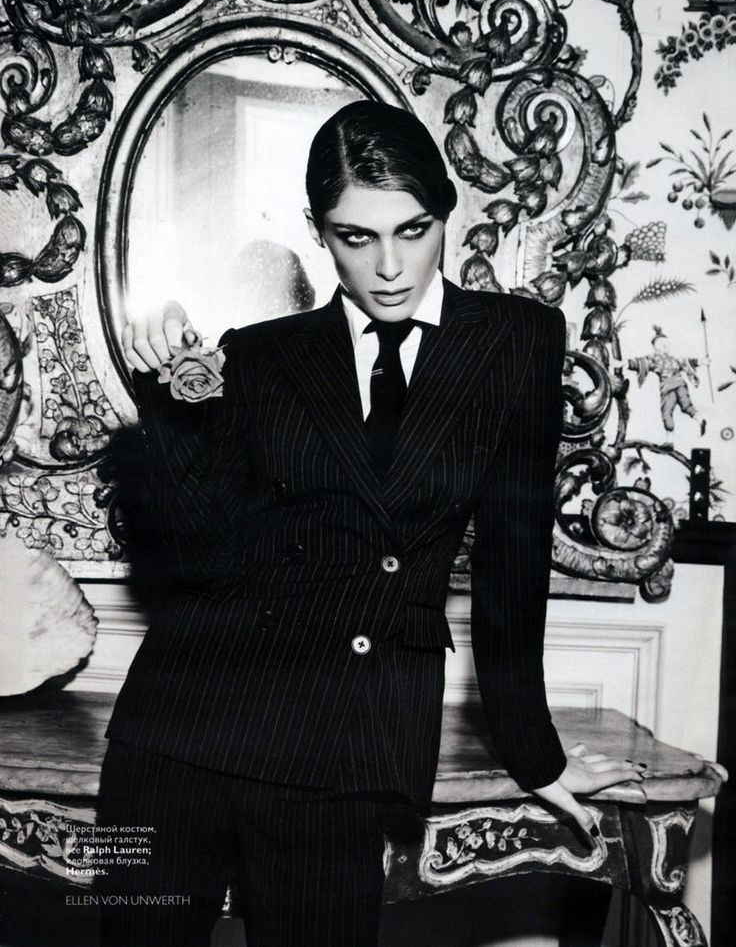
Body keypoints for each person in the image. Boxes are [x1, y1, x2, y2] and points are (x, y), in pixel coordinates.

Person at [97, 100, 642, 947]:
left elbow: (512, 561)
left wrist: (535, 754)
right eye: (356, 237)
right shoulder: (259, 352)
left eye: (413, 231)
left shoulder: (516, 342)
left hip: (345, 750)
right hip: (174, 735)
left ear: (446, 212)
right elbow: (199, 555)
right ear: (319, 231)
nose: (390, 268)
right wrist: (170, 403)